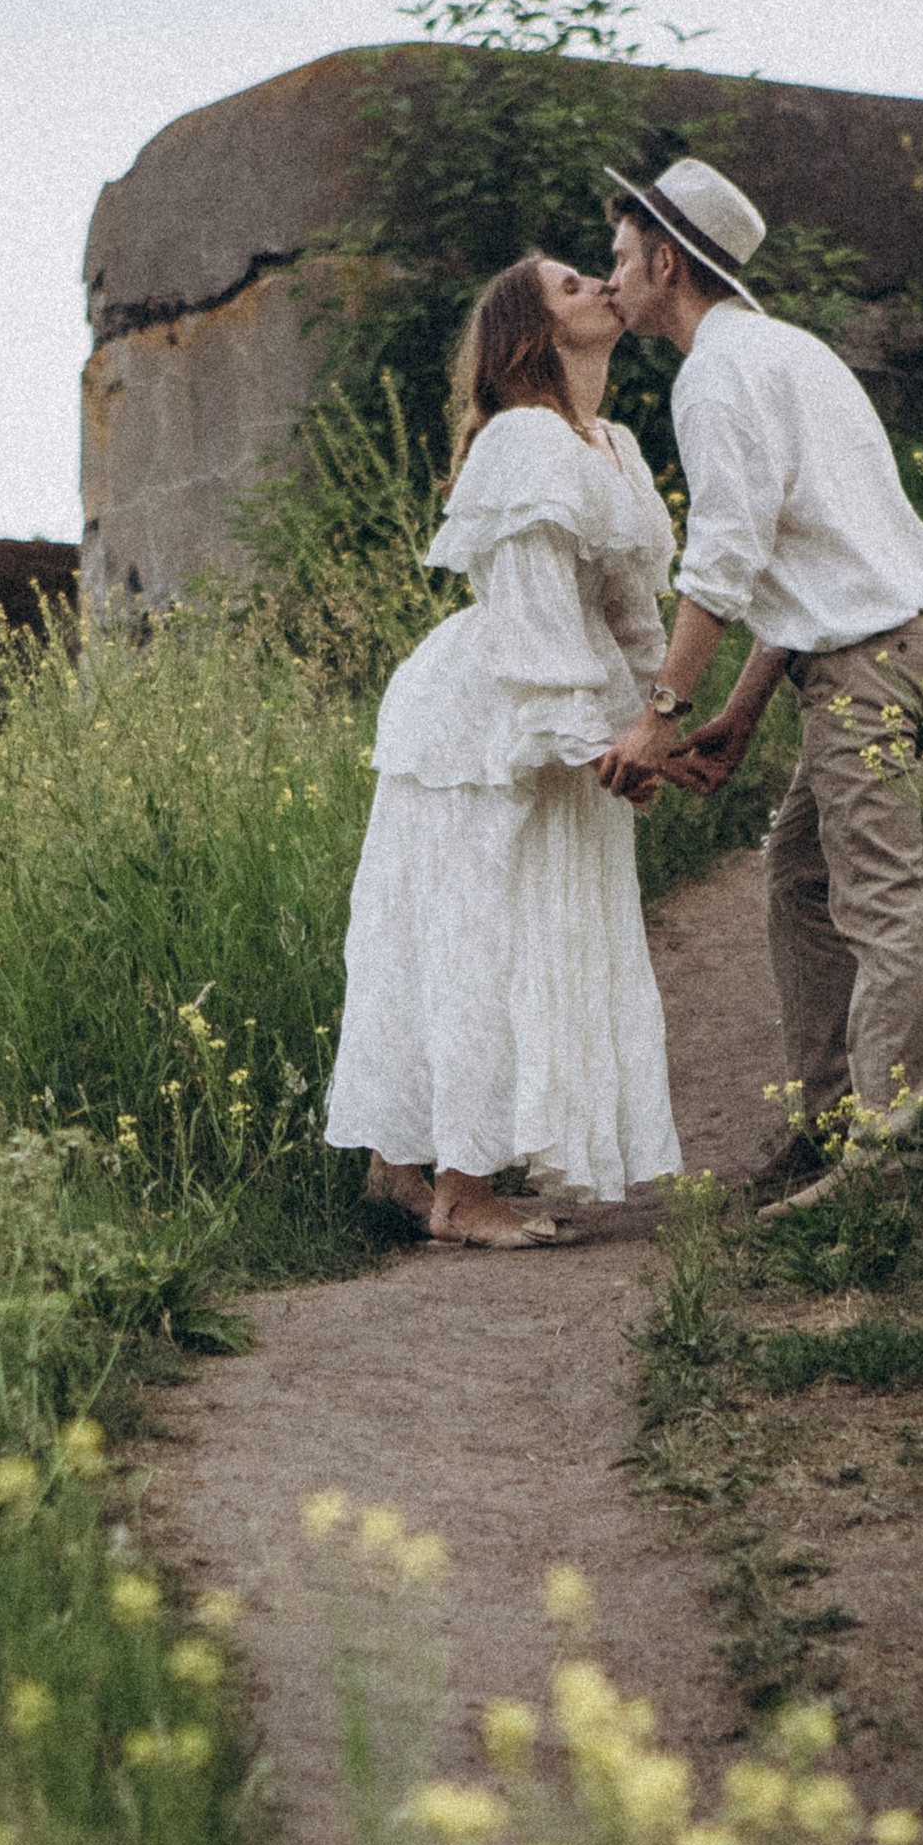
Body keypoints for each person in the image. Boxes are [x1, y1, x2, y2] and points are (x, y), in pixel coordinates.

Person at [594, 155, 923, 1209]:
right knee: (799, 873)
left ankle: (884, 1162)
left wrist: (659, 716)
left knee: (878, 897)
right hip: (889, 638)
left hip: (869, 662)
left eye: (620, 260)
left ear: (666, 263)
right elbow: (804, 560)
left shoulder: (712, 375)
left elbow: (725, 562)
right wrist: (742, 713)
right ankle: (834, 1122)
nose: (610, 279)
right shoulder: (786, 352)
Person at [323, 252, 683, 1248]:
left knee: (486, 927)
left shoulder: (609, 441)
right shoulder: (524, 439)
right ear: (533, 331)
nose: (599, 288)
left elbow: (626, 605)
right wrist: (595, 746)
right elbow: (530, 614)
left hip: (557, 701)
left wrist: (656, 719)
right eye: (571, 287)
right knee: (477, 931)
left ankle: (397, 1168)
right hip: (492, 717)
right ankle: (462, 1192)